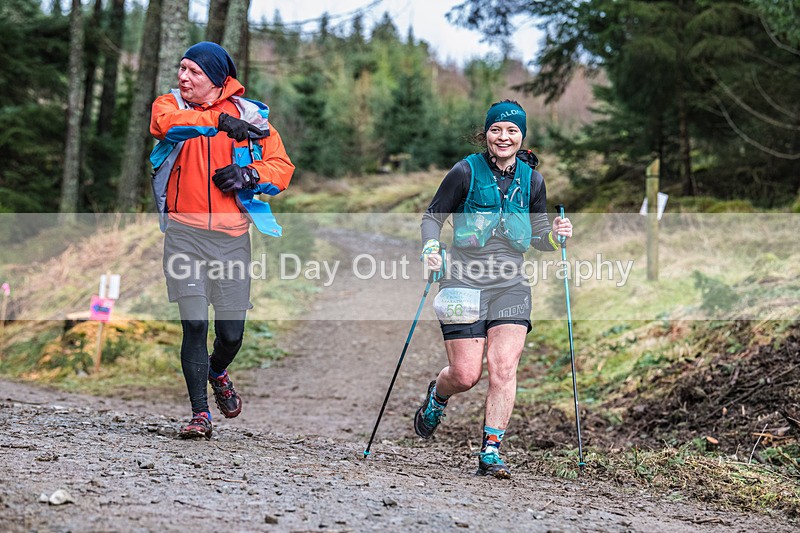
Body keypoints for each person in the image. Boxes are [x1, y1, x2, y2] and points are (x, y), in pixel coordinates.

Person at [415, 99, 573, 478]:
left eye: (512, 130)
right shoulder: (464, 172)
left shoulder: (532, 180)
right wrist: (431, 249)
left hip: (511, 285)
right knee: (466, 375)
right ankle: (438, 397)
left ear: (522, 136)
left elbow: (537, 237)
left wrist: (555, 237)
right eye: (497, 129)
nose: (504, 137)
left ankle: (491, 450)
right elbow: (432, 217)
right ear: (486, 133)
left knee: (503, 367)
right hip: (462, 281)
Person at [150, 42, 294, 439]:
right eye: (181, 68)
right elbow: (167, 126)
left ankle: (217, 370)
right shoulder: (170, 104)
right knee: (194, 323)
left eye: (193, 71)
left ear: (216, 78)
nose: (183, 77)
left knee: (231, 334)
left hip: (231, 239)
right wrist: (215, 123)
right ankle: (200, 414)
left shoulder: (250, 116)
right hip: (184, 235)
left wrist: (250, 177)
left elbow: (281, 167)